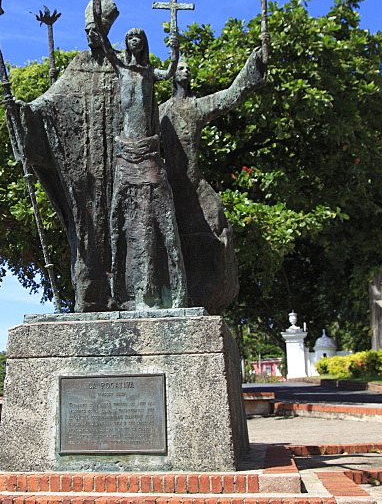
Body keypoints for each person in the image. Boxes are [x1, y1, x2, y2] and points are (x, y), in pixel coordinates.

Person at [9, 0, 122, 312]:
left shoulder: (123, 66)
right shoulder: (78, 65)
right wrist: (24, 111)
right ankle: (90, 296)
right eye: (86, 31)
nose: (90, 36)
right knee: (85, 234)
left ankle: (126, 294)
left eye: (95, 30)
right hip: (83, 174)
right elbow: (50, 102)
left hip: (120, 167)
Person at [159, 49, 266, 312]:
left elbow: (230, 96)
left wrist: (253, 64)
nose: (186, 72)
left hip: (195, 184)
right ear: (172, 74)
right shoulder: (159, 112)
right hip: (168, 186)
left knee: (219, 225)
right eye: (181, 68)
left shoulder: (197, 105)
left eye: (188, 69)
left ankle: (216, 289)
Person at [108, 28, 188, 310]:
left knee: (160, 217)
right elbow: (107, 49)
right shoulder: (121, 68)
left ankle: (165, 290)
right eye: (130, 39)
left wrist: (174, 51)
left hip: (149, 151)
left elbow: (169, 73)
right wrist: (98, 20)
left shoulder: (148, 72)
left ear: (144, 44)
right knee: (122, 218)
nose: (134, 43)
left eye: (139, 39)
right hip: (125, 152)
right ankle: (126, 293)